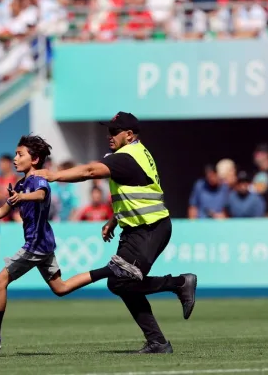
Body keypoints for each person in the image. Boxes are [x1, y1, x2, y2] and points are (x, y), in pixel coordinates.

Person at [35, 112, 197, 354]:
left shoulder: (127, 157)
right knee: (121, 284)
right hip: (138, 227)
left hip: (150, 228)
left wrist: (53, 175)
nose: (108, 135)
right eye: (108, 130)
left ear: (129, 135)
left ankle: (180, 283)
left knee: (120, 276)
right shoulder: (135, 154)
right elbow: (139, 189)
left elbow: (89, 171)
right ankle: (158, 342)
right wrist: (114, 218)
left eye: (114, 131)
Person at [0, 135, 103, 352]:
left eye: (20, 154)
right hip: (44, 244)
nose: (15, 159)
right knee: (60, 288)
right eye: (15, 154)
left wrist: (23, 198)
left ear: (34, 159)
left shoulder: (37, 180)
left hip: (35, 245)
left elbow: (41, 194)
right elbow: (4, 210)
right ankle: (109, 270)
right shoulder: (22, 184)